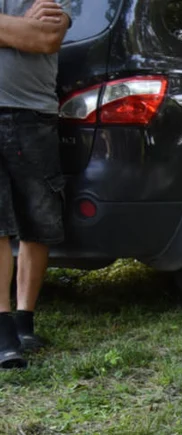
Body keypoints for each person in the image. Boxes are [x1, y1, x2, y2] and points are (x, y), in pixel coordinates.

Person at [0, 0, 71, 369]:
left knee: (38, 222)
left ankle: (24, 322)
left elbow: (46, 39)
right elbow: (29, 35)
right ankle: (2, 331)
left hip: (35, 116)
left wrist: (14, 30)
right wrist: (19, 28)